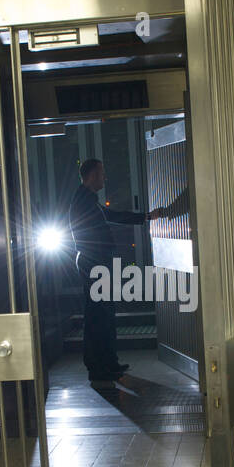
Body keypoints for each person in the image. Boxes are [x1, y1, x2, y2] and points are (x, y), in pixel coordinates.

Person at [67, 158, 163, 383]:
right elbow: (109, 220)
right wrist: (146, 217)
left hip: (94, 262)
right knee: (100, 316)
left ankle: (106, 363)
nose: (105, 177)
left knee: (102, 314)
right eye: (101, 173)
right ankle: (101, 366)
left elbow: (111, 217)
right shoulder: (84, 201)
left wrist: (146, 217)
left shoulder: (86, 199)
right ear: (91, 175)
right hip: (94, 263)